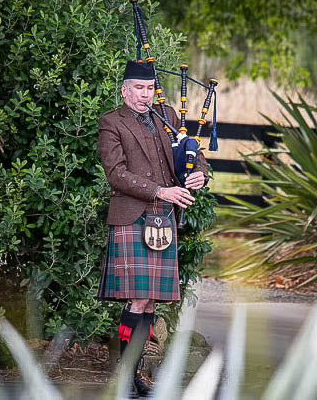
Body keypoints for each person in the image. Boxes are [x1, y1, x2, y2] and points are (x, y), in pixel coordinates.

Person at [97, 60, 208, 397]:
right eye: (138, 89)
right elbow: (115, 173)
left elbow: (193, 151)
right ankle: (125, 371)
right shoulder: (111, 123)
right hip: (134, 215)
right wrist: (160, 190)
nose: (144, 95)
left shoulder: (167, 117)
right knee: (138, 298)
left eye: (149, 89)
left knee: (148, 303)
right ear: (125, 91)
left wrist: (199, 173)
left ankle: (134, 372)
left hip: (165, 216)